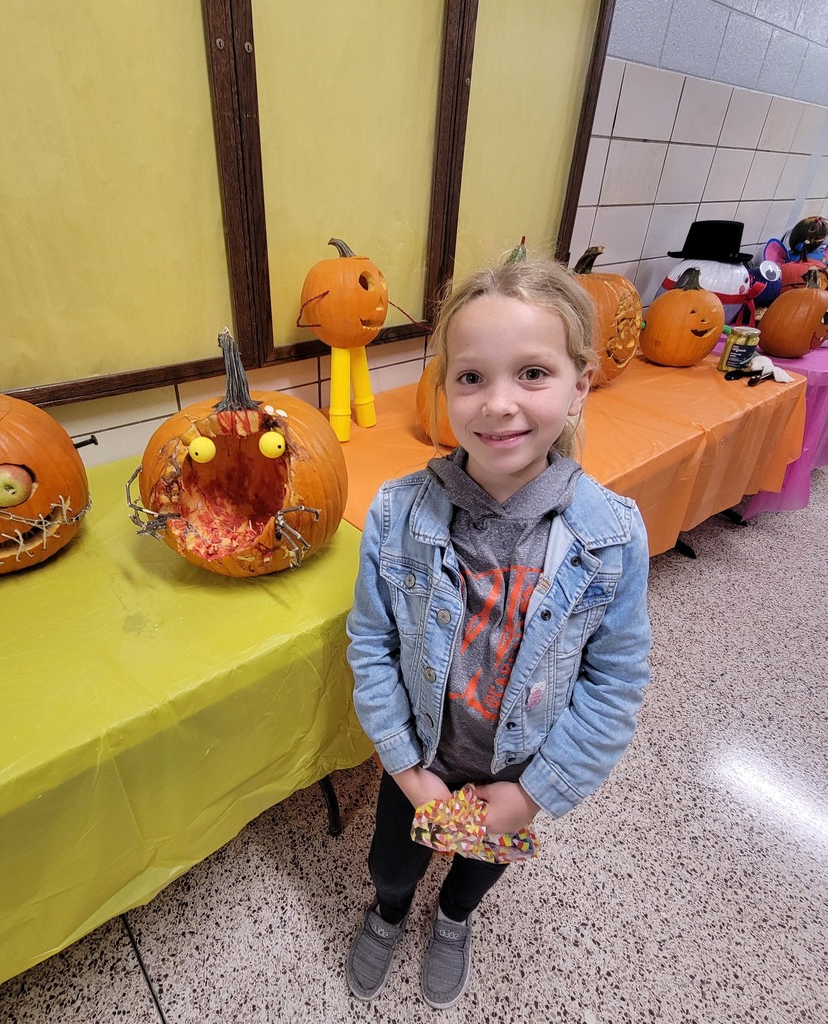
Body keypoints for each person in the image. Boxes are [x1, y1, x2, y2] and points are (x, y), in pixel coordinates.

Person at [344, 255, 652, 1009]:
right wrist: (410, 774)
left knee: (476, 874)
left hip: (517, 772)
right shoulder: (394, 512)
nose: (499, 404)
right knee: (392, 865)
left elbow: (616, 682)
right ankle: (387, 914)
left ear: (581, 384)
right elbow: (371, 646)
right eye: (472, 378)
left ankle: (452, 921)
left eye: (533, 374)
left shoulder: (611, 536)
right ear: (444, 389)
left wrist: (535, 791)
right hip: (420, 757)